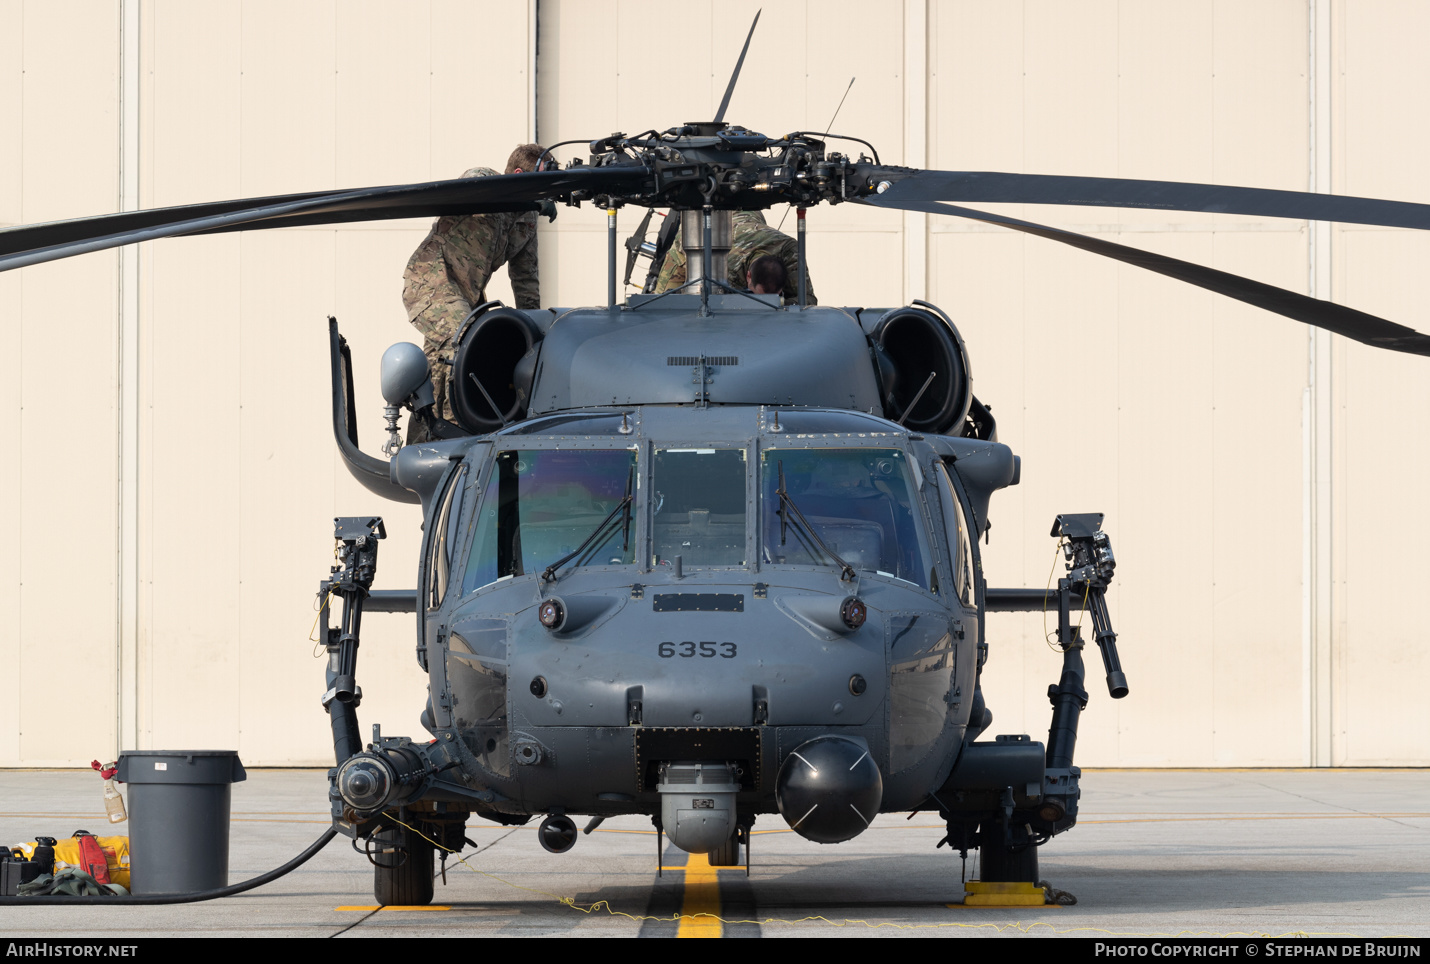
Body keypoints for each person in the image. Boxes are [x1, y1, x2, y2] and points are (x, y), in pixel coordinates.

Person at [402, 143, 545, 432]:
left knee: (458, 359)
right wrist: (509, 191)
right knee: (465, 346)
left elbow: (525, 278)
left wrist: (536, 337)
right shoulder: (485, 187)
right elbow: (474, 176)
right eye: (541, 181)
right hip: (432, 281)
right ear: (518, 175)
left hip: (466, 295)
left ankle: (433, 432)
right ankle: (451, 432)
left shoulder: (527, 219)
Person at [653, 209, 816, 305]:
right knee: (661, 303)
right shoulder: (725, 265)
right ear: (748, 276)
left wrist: (778, 304)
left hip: (748, 212)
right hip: (694, 235)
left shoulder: (789, 249)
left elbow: (806, 302)